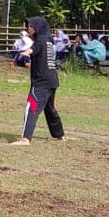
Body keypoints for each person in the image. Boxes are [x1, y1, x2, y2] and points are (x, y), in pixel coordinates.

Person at [12, 16, 65, 145]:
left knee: (32, 106)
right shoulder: (48, 40)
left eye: (30, 26)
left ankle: (25, 138)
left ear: (38, 26)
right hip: (51, 80)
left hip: (41, 82)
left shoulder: (40, 41)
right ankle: (60, 135)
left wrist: (26, 52)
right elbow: (40, 56)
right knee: (50, 109)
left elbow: (34, 49)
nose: (28, 28)